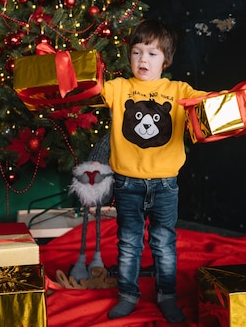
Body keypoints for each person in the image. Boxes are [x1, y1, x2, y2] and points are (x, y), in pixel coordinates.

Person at [101, 18, 212, 323]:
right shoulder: (119, 88)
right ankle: (127, 294)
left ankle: (167, 295)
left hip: (165, 184)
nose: (142, 60)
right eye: (136, 52)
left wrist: (236, 101)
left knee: (163, 242)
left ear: (167, 58)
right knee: (129, 242)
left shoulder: (178, 90)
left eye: (152, 53)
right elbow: (92, 89)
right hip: (127, 183)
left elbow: (209, 106)